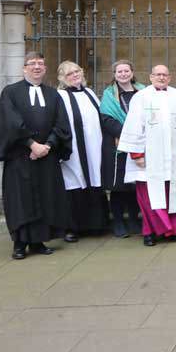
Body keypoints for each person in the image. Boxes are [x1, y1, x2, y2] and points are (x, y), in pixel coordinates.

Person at [0, 52, 72, 259]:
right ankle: (20, 244)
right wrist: (31, 145)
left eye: (41, 64)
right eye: (32, 64)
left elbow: (61, 123)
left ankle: (38, 242)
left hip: (47, 156)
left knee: (46, 198)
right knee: (21, 199)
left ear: (45, 69)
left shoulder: (53, 94)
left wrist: (48, 145)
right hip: (20, 157)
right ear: (24, 68)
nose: (37, 67)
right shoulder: (10, 92)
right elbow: (11, 123)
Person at [119, 64, 176, 246]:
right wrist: (136, 154)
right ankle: (151, 231)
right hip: (148, 158)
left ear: (170, 78)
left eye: (165, 75)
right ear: (150, 77)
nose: (161, 78)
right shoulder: (141, 97)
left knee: (175, 192)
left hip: (173, 156)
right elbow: (133, 125)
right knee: (150, 196)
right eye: (158, 74)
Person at [56, 61, 114, 241]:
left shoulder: (89, 93)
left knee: (94, 181)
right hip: (73, 150)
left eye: (77, 71)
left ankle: (97, 224)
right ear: (62, 78)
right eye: (69, 74)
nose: (75, 75)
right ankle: (72, 227)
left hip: (94, 147)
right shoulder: (60, 96)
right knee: (74, 183)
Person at [100, 60, 145, 237]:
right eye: (119, 71)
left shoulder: (143, 91)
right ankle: (118, 222)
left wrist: (139, 135)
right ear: (115, 74)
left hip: (141, 143)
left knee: (135, 184)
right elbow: (106, 119)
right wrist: (128, 135)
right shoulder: (109, 94)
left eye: (126, 71)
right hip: (118, 145)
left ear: (132, 73)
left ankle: (134, 220)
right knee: (118, 186)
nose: (123, 74)